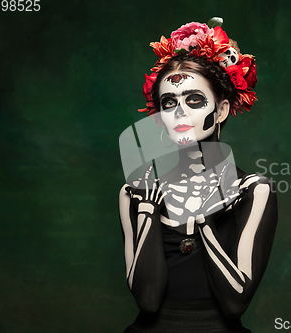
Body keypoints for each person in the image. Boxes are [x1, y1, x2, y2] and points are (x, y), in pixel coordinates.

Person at [119, 20, 278, 333]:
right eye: (169, 103)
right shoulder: (134, 193)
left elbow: (234, 304)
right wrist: (149, 212)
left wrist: (204, 221)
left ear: (219, 111)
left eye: (193, 100)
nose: (179, 112)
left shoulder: (253, 191)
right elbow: (148, 300)